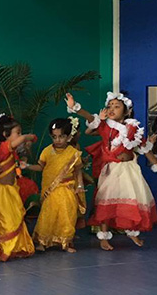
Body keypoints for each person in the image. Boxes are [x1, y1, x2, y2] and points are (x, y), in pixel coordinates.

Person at [66, 92, 157, 250]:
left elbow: (144, 148)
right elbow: (89, 117)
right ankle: (104, 236)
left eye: (117, 106)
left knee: (131, 200)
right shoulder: (104, 126)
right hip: (111, 170)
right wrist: (75, 107)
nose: (112, 109)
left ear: (127, 111)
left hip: (130, 170)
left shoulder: (133, 128)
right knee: (106, 201)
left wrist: (154, 163)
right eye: (110, 106)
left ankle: (132, 232)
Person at [23, 118, 84, 252]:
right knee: (48, 214)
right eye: (54, 137)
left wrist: (79, 186)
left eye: (61, 137)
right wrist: (27, 166)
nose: (58, 140)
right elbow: (40, 167)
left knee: (67, 213)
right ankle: (42, 241)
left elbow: (78, 171)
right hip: (50, 189)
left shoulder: (72, 153)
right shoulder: (47, 151)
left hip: (67, 187)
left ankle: (65, 242)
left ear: (68, 137)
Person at [0, 113, 36, 261]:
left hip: (10, 189)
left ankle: (17, 247)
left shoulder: (9, 150)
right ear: (6, 135)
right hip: (1, 192)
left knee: (15, 218)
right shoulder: (3, 147)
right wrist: (28, 137)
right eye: (17, 133)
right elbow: (18, 141)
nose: (20, 135)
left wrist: (26, 144)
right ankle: (4, 249)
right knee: (7, 221)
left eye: (20, 133)